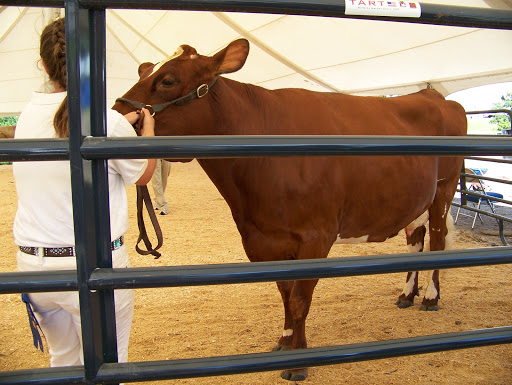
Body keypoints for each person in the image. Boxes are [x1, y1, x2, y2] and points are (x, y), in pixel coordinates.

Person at [13, 17, 156, 367]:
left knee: (62, 360)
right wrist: (147, 131)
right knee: (109, 362)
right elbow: (141, 174)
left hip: (34, 264)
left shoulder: (26, 116)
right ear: (92, 62)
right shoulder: (107, 120)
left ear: (44, 64)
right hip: (94, 262)